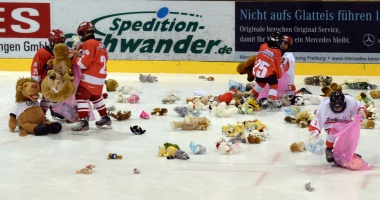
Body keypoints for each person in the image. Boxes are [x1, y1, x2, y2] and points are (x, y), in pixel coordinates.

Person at [71, 21, 112, 132]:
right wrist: (81, 51)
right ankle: (105, 118)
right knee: (96, 97)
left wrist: (74, 58)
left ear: (84, 33)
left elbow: (84, 64)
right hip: (101, 77)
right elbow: (104, 58)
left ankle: (83, 121)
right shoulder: (100, 44)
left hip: (90, 77)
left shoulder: (89, 44)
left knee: (81, 96)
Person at [308, 91, 366, 163]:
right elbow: (318, 119)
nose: (337, 109)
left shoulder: (350, 101)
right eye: (335, 107)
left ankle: (348, 152)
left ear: (344, 103)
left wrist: (360, 113)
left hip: (345, 120)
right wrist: (315, 133)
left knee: (350, 134)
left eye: (339, 106)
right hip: (330, 121)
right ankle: (328, 149)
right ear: (330, 104)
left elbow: (359, 106)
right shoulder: (324, 107)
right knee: (332, 132)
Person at [31, 29, 66, 120]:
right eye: (57, 43)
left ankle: (55, 110)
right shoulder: (42, 52)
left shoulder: (63, 53)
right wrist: (35, 81)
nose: (59, 46)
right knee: (47, 97)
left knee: (59, 95)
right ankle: (41, 115)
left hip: (57, 80)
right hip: (45, 80)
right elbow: (36, 67)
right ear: (51, 42)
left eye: (62, 43)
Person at [251, 31, 284, 109]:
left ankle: (252, 97)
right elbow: (278, 64)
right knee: (274, 84)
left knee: (260, 83)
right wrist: (279, 75)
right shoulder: (277, 52)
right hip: (269, 72)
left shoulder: (263, 46)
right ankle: (271, 100)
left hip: (259, 71)